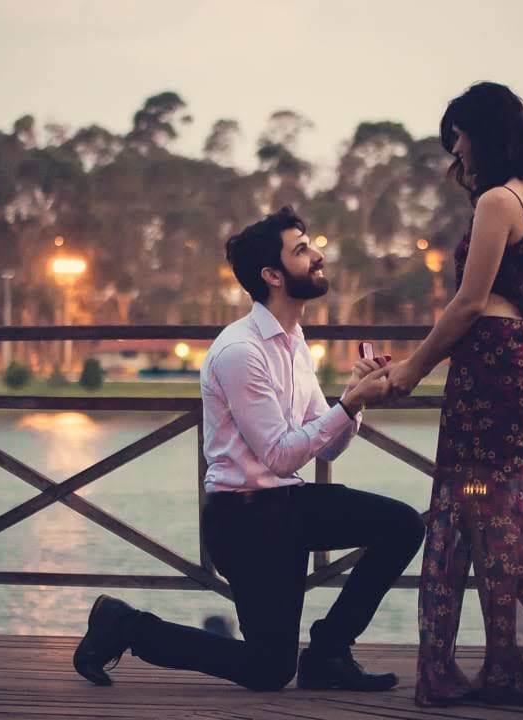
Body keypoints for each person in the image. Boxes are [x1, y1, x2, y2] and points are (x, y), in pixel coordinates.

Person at [73, 206, 425, 692]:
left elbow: (328, 449)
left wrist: (355, 399)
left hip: (288, 505)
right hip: (245, 520)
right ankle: (124, 625)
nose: (317, 255)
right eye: (301, 250)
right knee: (269, 670)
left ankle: (328, 652)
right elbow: (280, 456)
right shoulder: (240, 351)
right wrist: (346, 405)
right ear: (272, 275)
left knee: (403, 524)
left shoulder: (293, 341)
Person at [386, 82, 523, 706]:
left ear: (483, 132)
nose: (456, 149)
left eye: (459, 135)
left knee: (474, 511)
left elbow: (469, 303)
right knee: (494, 514)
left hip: (487, 373)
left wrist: (414, 367)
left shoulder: (498, 203)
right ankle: (507, 663)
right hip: (520, 365)